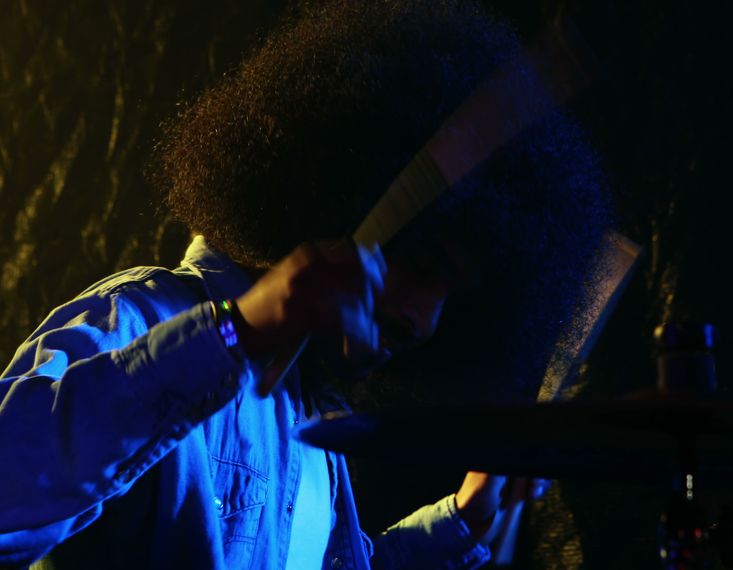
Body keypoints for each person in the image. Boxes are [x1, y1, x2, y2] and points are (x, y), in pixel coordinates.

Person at [0, 0, 612, 568]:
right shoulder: (137, 317)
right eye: (424, 264)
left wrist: (469, 514)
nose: (426, 320)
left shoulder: (308, 409)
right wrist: (242, 330)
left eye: (453, 298)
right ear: (334, 208)